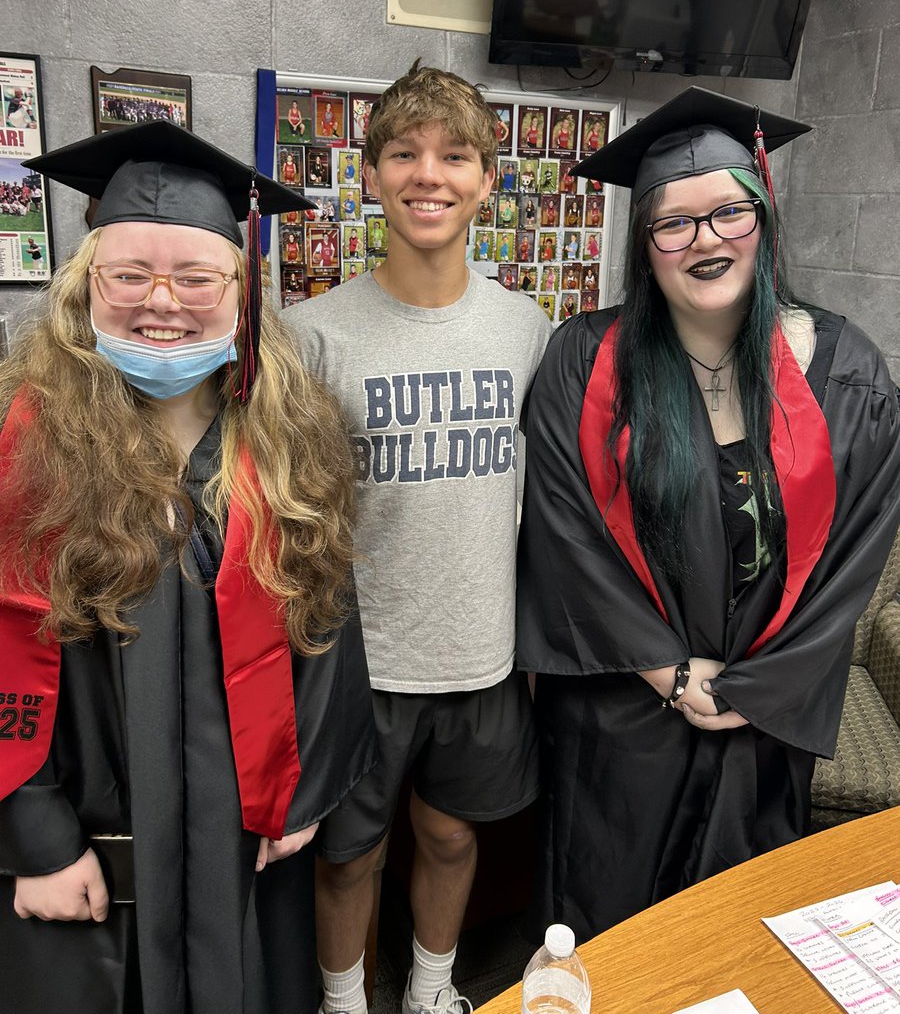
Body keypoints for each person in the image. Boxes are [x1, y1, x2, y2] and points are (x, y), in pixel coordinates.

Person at [0, 120, 376, 1014]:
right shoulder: (28, 450)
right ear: (87, 287)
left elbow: (327, 627)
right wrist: (34, 836)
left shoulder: (293, 444)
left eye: (197, 276)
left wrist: (307, 792)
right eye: (129, 275)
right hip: (93, 852)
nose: (161, 302)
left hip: (246, 836)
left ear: (240, 293)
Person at [517, 87, 900, 942]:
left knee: (736, 934)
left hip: (764, 717)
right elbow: (565, 533)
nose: (705, 241)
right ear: (645, 245)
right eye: (674, 223)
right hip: (624, 712)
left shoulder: (848, 371)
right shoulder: (585, 360)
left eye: (729, 212)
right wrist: (672, 672)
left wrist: (752, 690)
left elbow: (857, 554)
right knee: (609, 929)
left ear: (762, 216)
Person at [284, 63, 550, 1014]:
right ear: (369, 175)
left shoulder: (526, 327)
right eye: (403, 153)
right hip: (361, 658)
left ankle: (432, 991)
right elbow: (290, 515)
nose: (427, 174)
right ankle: (345, 999)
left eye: (454, 155)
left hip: (480, 653)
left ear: (486, 180)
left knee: (448, 838)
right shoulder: (312, 333)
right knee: (350, 855)